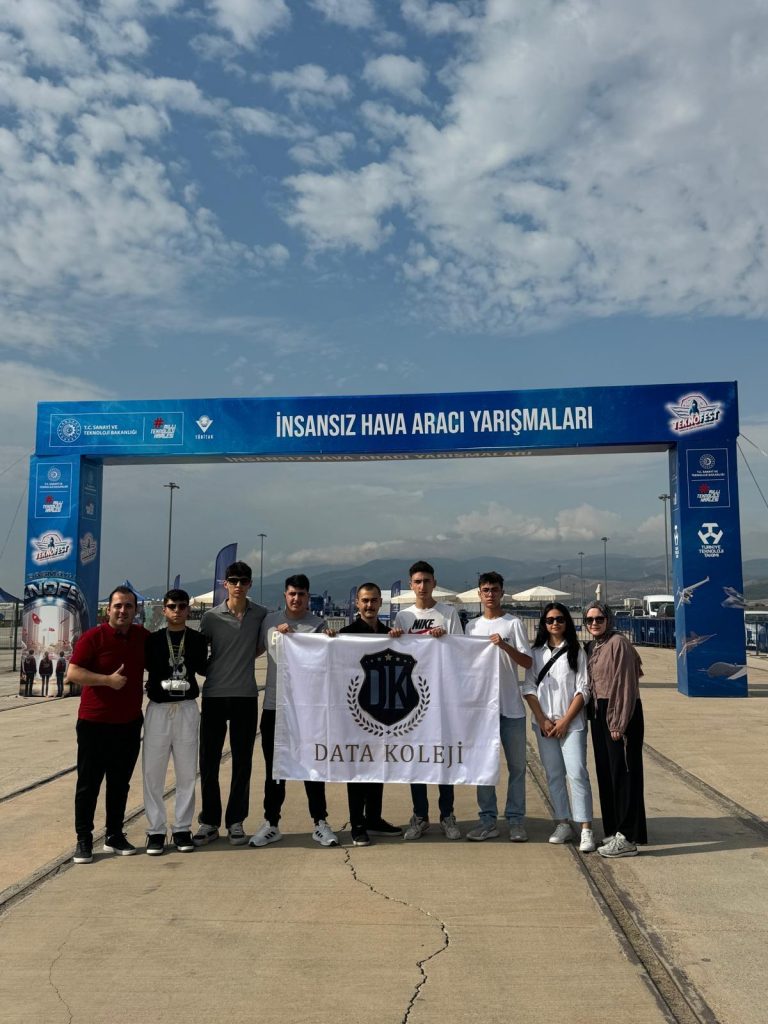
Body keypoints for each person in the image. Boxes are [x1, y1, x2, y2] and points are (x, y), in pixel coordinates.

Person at [249, 574, 339, 849]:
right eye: (292, 594)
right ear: (285, 595)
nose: (296, 598)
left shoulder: (318, 624)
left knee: (312, 765)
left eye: (301, 594)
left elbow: (328, 662)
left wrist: (330, 641)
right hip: (275, 706)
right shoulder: (270, 621)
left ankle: (320, 821)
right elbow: (253, 651)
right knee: (275, 768)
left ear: (308, 596)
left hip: (307, 709)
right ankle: (271, 822)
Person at [67, 586, 148, 863]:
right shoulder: (93, 637)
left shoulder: (142, 637)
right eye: (118, 606)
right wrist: (107, 681)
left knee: (120, 783)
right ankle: (84, 839)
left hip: (128, 723)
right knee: (88, 784)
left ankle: (114, 835)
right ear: (108, 609)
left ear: (135, 610)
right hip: (94, 723)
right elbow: (73, 672)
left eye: (128, 606)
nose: (123, 611)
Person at [391, 560, 464, 841]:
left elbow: (462, 651)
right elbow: (396, 655)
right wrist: (394, 638)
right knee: (417, 757)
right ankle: (420, 815)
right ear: (411, 585)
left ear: (434, 583)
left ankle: (447, 815)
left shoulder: (448, 613)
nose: (422, 586)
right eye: (417, 581)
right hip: (413, 699)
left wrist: (445, 639)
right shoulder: (403, 617)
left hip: (442, 697)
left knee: (443, 757)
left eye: (427, 581)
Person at [195, 562, 267, 847]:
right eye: (233, 580)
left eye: (243, 581)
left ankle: (236, 820)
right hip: (214, 695)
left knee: (242, 761)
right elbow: (199, 654)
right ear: (225, 584)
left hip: (245, 696)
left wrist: (246, 654)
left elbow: (264, 643)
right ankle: (209, 821)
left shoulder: (260, 614)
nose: (238, 585)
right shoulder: (210, 618)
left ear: (250, 584)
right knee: (209, 762)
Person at [464, 572, 533, 843]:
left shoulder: (513, 623)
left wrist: (504, 645)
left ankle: (515, 820)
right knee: (484, 767)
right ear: (479, 594)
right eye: (485, 590)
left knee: (517, 767)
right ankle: (487, 820)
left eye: (494, 589)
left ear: (502, 592)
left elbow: (527, 662)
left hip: (511, 708)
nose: (490, 594)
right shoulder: (471, 627)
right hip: (483, 711)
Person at [522, 603, 595, 852]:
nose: (555, 623)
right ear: (543, 623)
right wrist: (542, 718)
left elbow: (583, 688)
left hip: (572, 724)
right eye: (550, 620)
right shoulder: (535, 653)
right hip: (544, 725)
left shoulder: (577, 651)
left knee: (577, 773)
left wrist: (565, 720)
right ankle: (562, 822)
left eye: (560, 619)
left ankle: (585, 828)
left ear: (567, 622)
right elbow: (529, 687)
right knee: (554, 774)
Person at [143, 589, 209, 856]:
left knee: (186, 772)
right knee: (153, 772)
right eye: (172, 606)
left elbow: (205, 667)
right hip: (158, 709)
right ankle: (156, 830)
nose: (178, 611)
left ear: (188, 610)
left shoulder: (198, 639)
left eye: (182, 606)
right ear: (164, 610)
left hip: (186, 709)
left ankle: (182, 828)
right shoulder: (152, 640)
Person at [338, 583, 403, 847]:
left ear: (380, 603)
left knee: (378, 765)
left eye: (374, 600)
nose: (369, 605)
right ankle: (357, 823)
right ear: (357, 603)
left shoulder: (389, 634)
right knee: (357, 767)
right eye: (365, 600)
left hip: (381, 710)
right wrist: (329, 639)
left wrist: (401, 639)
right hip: (355, 710)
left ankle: (374, 818)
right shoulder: (346, 634)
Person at [584, 602, 647, 858]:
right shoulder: (594, 646)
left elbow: (626, 684)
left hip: (620, 711)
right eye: (589, 620)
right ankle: (615, 829)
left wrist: (618, 722)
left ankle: (627, 837)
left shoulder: (618, 643)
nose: (594, 623)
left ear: (608, 619)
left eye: (599, 618)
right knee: (607, 772)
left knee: (624, 773)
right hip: (599, 712)